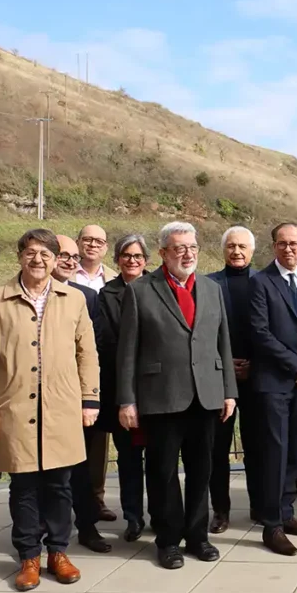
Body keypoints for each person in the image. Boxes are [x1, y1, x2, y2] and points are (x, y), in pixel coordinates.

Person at [0, 228, 100, 591]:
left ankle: (58, 552)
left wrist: (90, 399)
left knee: (60, 484)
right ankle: (29, 556)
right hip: (14, 407)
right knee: (23, 486)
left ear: (55, 260)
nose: (38, 260)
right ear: (20, 256)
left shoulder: (74, 299)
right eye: (30, 253)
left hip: (61, 406)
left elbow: (87, 352)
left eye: (46, 254)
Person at [117, 222, 237, 570]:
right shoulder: (140, 290)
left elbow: (223, 344)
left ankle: (198, 536)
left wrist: (229, 391)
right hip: (162, 396)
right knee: (163, 471)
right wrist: (126, 400)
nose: (187, 254)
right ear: (163, 253)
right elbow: (127, 351)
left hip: (206, 395)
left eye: (192, 248)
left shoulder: (212, 289)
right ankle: (168, 540)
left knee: (202, 470)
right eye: (179, 248)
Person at [248, 223, 297, 555]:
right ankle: (271, 525)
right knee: (274, 454)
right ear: (274, 246)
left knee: (295, 452)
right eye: (282, 243)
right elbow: (260, 333)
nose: (289, 248)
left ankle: (287, 512)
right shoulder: (260, 283)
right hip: (274, 383)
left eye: (294, 243)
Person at [51, 235, 109, 553]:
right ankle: (43, 533)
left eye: (74, 257)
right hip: (38, 399)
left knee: (81, 467)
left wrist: (90, 397)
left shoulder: (86, 297)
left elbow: (92, 349)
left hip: (75, 397)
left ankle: (87, 527)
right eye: (63, 255)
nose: (70, 261)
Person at [206, 226, 267, 532]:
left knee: (258, 447)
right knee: (218, 449)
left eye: (243, 246)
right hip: (220, 377)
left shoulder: (265, 282)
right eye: (231, 246)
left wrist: (255, 364)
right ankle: (221, 510)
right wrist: (223, 363)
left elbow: (272, 331)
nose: (237, 251)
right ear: (223, 249)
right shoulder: (208, 284)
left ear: (252, 250)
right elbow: (202, 334)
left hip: (258, 377)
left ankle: (259, 505)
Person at [96, 234, 151, 543]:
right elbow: (108, 341)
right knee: (129, 459)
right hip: (123, 389)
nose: (132, 260)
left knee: (159, 458)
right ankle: (133, 517)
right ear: (117, 260)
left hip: (157, 388)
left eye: (138, 256)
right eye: (126, 255)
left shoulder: (157, 287)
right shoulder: (107, 294)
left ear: (146, 260)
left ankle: (161, 513)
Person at [74, 224, 117, 521]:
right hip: (68, 368)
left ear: (106, 247)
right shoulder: (61, 274)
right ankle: (64, 500)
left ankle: (96, 498)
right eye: (87, 239)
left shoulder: (114, 278)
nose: (92, 244)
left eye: (99, 241)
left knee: (99, 438)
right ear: (78, 242)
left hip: (104, 368)